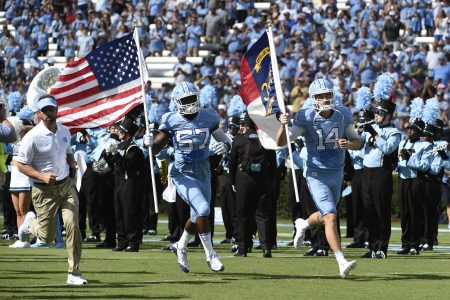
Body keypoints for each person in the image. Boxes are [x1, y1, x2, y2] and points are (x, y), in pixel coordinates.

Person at [276, 78, 361, 278]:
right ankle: (341, 261)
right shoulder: (305, 116)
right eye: (320, 96)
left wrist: (348, 144)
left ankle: (304, 223)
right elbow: (282, 142)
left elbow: (358, 141)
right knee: (331, 216)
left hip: (337, 172)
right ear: (313, 98)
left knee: (325, 215)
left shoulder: (342, 114)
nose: (324, 99)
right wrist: (283, 125)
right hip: (316, 173)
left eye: (327, 95)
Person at [144, 81, 231, 273]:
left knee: (197, 214)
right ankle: (211, 255)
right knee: (203, 208)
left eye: (193, 98)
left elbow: (224, 140)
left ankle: (180, 245)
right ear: (177, 102)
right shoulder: (171, 119)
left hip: (204, 171)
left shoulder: (208, 115)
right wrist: (148, 141)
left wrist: (225, 146)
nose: (191, 103)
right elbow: (157, 146)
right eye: (186, 100)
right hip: (182, 172)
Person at [16, 94, 87, 285]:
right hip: (44, 191)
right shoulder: (32, 137)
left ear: (57, 110)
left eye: (51, 109)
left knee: (73, 225)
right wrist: (41, 176)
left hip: (66, 186)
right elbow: (20, 164)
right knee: (45, 237)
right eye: (45, 110)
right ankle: (30, 222)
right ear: (39, 112)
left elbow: (67, 151)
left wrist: (72, 162)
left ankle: (74, 273)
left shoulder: (64, 131)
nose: (49, 113)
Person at [229, 112, 276, 258]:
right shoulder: (266, 140)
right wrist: (270, 182)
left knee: (243, 214)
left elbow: (232, 164)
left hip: (243, 178)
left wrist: (232, 182)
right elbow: (273, 165)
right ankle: (266, 247)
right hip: (262, 180)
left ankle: (243, 248)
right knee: (263, 215)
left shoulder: (238, 140)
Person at [104, 117, 145, 252]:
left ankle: (133, 242)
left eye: (122, 130)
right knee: (119, 213)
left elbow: (127, 166)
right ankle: (122, 241)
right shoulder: (121, 146)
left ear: (128, 133)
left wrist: (115, 155)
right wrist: (107, 155)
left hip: (130, 184)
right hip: (119, 183)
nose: (119, 132)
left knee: (129, 213)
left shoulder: (133, 149)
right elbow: (115, 165)